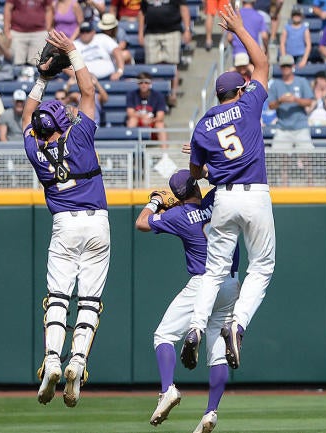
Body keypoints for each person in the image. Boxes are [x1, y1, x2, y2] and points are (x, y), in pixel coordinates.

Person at [183, 4, 275, 374]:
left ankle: (194, 327)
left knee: (213, 271)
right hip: (254, 194)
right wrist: (238, 29)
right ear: (239, 91)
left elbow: (194, 173)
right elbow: (262, 63)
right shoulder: (250, 103)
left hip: (222, 197)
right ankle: (237, 324)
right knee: (262, 266)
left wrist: (207, 164)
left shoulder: (203, 124)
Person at [23, 29, 108, 408]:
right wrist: (73, 52)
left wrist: (41, 78)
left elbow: (27, 115)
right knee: (89, 299)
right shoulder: (79, 139)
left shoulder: (36, 151)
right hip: (96, 224)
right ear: (64, 122)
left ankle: (53, 360)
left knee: (59, 296)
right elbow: (88, 92)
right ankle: (77, 360)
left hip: (64, 225)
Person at [135, 170, 240, 433]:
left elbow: (141, 222)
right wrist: (203, 168)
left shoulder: (178, 215)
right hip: (230, 284)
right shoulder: (217, 199)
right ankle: (211, 411)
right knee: (217, 353)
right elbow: (228, 180)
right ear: (197, 186)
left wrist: (156, 202)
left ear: (177, 196)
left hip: (203, 283)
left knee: (164, 335)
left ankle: (167, 389)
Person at [138, 0, 191, 107]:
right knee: (152, 67)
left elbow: (184, 9)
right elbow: (142, 12)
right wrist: (140, 32)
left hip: (172, 31)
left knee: (172, 65)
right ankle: (154, 97)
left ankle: (173, 94)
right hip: (151, 33)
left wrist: (187, 29)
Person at [268, 54, 314, 149]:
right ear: (280, 67)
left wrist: (295, 100)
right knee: (277, 157)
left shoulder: (302, 81)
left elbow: (309, 102)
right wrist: (280, 101)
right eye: (283, 66)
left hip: (301, 126)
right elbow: (270, 105)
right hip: (282, 127)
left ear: (293, 66)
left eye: (288, 66)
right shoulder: (275, 84)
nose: (286, 68)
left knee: (308, 156)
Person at [4, 0, 53, 66]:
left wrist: (48, 28)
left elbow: (49, 9)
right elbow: (8, 8)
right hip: (17, 33)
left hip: (39, 33)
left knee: (37, 65)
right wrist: (6, 31)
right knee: (16, 64)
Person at [126, 72, 168, 144]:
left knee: (160, 125)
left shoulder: (158, 96)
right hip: (138, 122)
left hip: (152, 123)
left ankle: (164, 153)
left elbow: (160, 116)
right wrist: (143, 117)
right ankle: (130, 148)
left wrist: (150, 120)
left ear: (150, 83)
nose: (144, 85)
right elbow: (130, 113)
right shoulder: (132, 95)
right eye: (141, 82)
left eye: (146, 82)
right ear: (137, 84)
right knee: (132, 121)